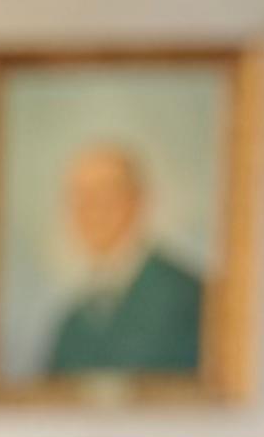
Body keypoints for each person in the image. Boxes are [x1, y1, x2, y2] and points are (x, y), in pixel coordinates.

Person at [46, 141, 209, 378]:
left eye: (104, 193)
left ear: (137, 200)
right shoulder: (72, 321)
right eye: (80, 197)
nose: (90, 209)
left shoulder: (185, 296)